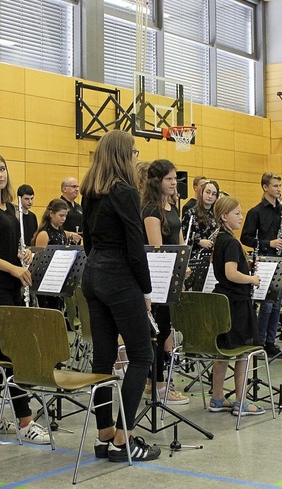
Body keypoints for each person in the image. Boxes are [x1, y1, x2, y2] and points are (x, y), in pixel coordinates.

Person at [81, 130, 161, 462]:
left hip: (93, 275)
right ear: (123, 156)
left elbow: (88, 240)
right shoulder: (126, 192)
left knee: (102, 359)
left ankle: (103, 437)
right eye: (134, 152)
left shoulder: (90, 191)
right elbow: (134, 247)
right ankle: (123, 439)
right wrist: (145, 288)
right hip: (118, 277)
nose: (137, 157)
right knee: (142, 356)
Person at [0, 151, 51, 444]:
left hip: (11, 283)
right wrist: (13, 268)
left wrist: (23, 254)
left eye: (2, 168)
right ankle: (25, 419)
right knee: (15, 349)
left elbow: (5, 247)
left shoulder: (9, 209)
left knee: (0, 351)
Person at [139, 159, 189, 405]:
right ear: (157, 182)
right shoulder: (150, 210)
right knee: (159, 331)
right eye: (169, 178)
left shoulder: (172, 207)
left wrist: (184, 265)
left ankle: (155, 383)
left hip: (172, 276)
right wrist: (173, 269)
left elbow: (179, 242)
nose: (173, 183)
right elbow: (156, 248)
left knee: (165, 329)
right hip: (158, 277)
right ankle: (158, 386)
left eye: (174, 178)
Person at [209, 196, 265, 416]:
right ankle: (241, 401)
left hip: (224, 300)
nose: (241, 217)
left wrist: (246, 264)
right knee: (243, 352)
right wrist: (252, 278)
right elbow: (231, 274)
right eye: (237, 213)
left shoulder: (220, 239)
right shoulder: (232, 242)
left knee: (223, 352)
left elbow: (226, 269)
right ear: (224, 216)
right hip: (237, 303)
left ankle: (217, 397)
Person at [240, 172, 282, 359]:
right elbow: (245, 237)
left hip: (279, 261)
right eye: (275, 186)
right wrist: (267, 243)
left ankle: (271, 342)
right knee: (266, 305)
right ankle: (260, 342)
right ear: (265, 187)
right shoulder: (256, 212)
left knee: (277, 303)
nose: (279, 189)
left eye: (280, 186)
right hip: (262, 260)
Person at [32, 198, 70, 311]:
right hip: (46, 280)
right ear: (51, 214)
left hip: (58, 278)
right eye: (61, 215)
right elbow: (39, 262)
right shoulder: (44, 234)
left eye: (65, 216)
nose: (64, 219)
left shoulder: (62, 232)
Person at [182, 180, 220, 256]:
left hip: (212, 257)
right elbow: (182, 237)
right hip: (194, 256)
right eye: (208, 192)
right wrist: (199, 241)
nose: (210, 196)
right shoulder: (190, 213)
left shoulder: (217, 214)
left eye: (214, 194)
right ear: (202, 193)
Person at [60, 177, 83, 243]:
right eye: (74, 186)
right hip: (62, 244)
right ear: (64, 189)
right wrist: (69, 234)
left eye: (78, 187)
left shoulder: (79, 207)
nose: (77, 189)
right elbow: (51, 228)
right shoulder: (58, 205)